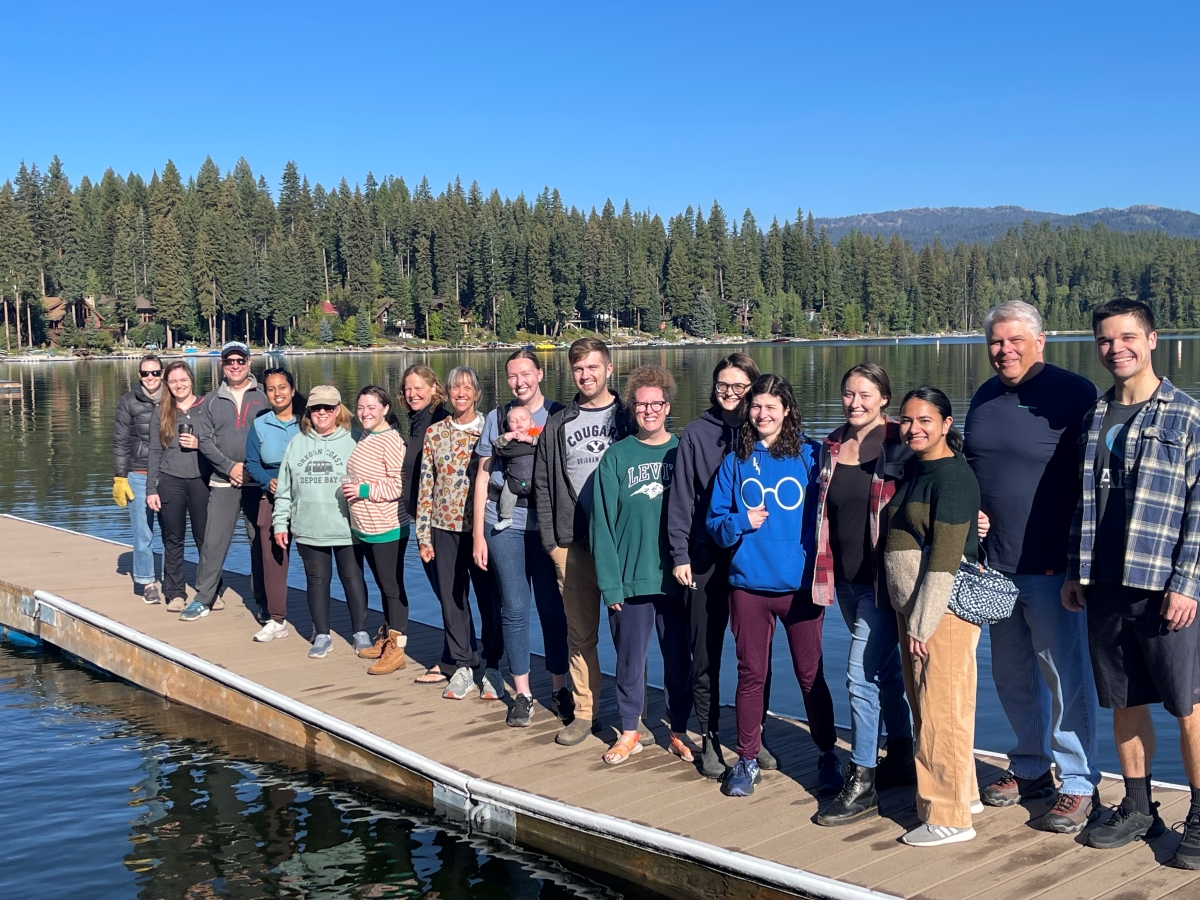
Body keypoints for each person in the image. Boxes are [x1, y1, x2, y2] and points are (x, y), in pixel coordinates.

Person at [1062, 299, 1200, 867]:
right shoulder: (1095, 415)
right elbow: (1083, 502)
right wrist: (1075, 569)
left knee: (1187, 704)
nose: (1115, 348)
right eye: (1105, 340)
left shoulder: (1186, 415)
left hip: (1164, 583)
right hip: (1104, 581)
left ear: (1152, 340)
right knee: (1122, 700)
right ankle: (1140, 806)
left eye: (1127, 337)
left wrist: (1187, 582)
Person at [964, 300, 1102, 833]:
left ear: (1040, 341)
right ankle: (1028, 766)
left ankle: (1078, 781)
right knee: (1012, 674)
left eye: (1015, 340)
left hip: (1052, 567)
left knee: (1065, 677)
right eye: (996, 342)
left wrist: (1079, 566)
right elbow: (974, 465)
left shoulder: (1073, 394)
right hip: (993, 566)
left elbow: (1091, 480)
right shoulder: (985, 395)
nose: (1004, 351)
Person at [707, 374, 841, 799]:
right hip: (748, 587)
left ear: (787, 410)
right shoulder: (736, 460)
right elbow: (715, 525)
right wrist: (740, 523)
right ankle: (746, 760)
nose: (762, 414)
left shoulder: (812, 456)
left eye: (771, 406)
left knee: (810, 675)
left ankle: (827, 753)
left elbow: (843, 504)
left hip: (801, 588)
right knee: (751, 675)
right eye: (756, 406)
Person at [814, 364, 916, 826]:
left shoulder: (901, 440)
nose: (855, 402)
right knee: (886, 672)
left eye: (865, 395)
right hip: (847, 581)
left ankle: (863, 778)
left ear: (883, 399)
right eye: (849, 394)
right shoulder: (833, 445)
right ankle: (900, 753)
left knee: (859, 676)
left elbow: (940, 478)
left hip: (884, 582)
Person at [668, 352, 776, 778]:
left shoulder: (767, 433)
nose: (730, 393)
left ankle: (755, 734)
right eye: (722, 386)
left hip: (753, 555)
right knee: (706, 652)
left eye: (740, 387)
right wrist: (680, 554)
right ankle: (710, 735)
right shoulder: (696, 434)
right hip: (705, 556)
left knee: (755, 656)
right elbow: (680, 500)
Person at [885, 386, 982, 847]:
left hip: (939, 613)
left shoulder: (954, 477)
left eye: (925, 420)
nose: (914, 428)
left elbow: (945, 559)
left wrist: (922, 624)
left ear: (946, 424)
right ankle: (964, 795)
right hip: (917, 611)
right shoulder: (919, 470)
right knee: (936, 707)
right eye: (906, 420)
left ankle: (949, 817)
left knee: (942, 712)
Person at [590, 366, 694, 765]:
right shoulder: (617, 456)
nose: (649, 411)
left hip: (676, 578)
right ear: (632, 409)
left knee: (678, 659)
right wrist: (610, 585)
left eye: (656, 403)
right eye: (641, 405)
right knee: (630, 661)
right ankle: (630, 730)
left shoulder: (682, 450)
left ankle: (679, 730)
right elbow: (602, 524)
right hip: (631, 578)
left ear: (668, 406)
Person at [535, 337, 635, 746]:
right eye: (578, 368)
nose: (586, 375)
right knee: (580, 635)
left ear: (609, 369)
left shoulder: (630, 418)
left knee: (628, 634)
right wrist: (551, 542)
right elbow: (543, 482)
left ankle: (634, 715)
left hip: (622, 546)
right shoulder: (559, 422)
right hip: (572, 544)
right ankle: (584, 712)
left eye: (593, 367)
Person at [473, 350, 569, 728]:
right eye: (513, 376)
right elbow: (482, 475)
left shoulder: (560, 414)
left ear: (540, 374)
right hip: (503, 523)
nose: (520, 382)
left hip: (546, 525)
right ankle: (524, 694)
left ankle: (560, 689)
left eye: (526, 374)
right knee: (514, 609)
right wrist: (479, 533)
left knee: (552, 609)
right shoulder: (497, 418)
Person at [416, 367, 503, 700]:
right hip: (443, 527)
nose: (461, 393)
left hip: (481, 528)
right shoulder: (436, 433)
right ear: (448, 394)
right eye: (455, 388)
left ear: (477, 393)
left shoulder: (489, 431)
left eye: (467, 387)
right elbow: (426, 485)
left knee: (489, 599)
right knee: (453, 600)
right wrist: (424, 536)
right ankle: (463, 665)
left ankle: (493, 663)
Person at [271, 385, 371, 659]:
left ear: (338, 409)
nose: (323, 413)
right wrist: (280, 523)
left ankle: (360, 631)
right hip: (309, 527)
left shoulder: (355, 439)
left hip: (346, 528)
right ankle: (323, 634)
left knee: (352, 578)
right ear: (309, 412)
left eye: (329, 407)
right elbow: (284, 490)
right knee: (317, 580)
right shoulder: (297, 442)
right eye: (317, 408)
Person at [180, 342, 269, 622]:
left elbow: (273, 438)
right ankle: (203, 598)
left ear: (248, 362)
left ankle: (264, 602)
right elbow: (204, 440)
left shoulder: (265, 398)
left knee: (260, 544)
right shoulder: (210, 400)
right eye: (229, 360)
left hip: (258, 483)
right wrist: (229, 467)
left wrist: (253, 470)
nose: (235, 365)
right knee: (214, 542)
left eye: (240, 360)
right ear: (222, 364)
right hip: (222, 480)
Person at [345, 385, 411, 675]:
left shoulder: (391, 441)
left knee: (392, 588)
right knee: (384, 587)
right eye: (361, 407)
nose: (365, 413)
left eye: (371, 407)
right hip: (367, 527)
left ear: (385, 409)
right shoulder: (368, 435)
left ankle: (397, 650)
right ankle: (386, 639)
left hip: (388, 527)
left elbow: (400, 484)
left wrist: (363, 489)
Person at [400, 365, 456, 685]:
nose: (412, 394)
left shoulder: (438, 422)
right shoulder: (417, 422)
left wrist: (428, 529)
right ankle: (464, 651)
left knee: (447, 592)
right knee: (443, 591)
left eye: (419, 387)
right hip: (423, 521)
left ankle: (452, 658)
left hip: (438, 523)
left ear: (435, 388)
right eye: (408, 389)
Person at [146, 362, 210, 612]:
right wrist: (151, 488)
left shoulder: (206, 407)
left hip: (201, 480)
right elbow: (153, 451)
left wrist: (199, 443)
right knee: (173, 538)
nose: (178, 385)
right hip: (170, 480)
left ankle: (210, 589)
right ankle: (175, 593)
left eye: (182, 379)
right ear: (167, 385)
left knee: (205, 538)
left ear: (191, 380)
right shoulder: (162, 411)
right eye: (172, 381)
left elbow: (217, 442)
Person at [244, 368, 302, 640]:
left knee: (316, 558)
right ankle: (276, 618)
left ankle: (323, 621)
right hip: (274, 493)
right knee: (271, 555)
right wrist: (268, 482)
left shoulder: (308, 420)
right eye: (271, 389)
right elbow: (253, 464)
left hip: (307, 495)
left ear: (292, 389)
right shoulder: (260, 424)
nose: (277, 393)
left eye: (282, 387)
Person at [112, 355, 163, 602]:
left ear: (162, 374)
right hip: (139, 474)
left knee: (173, 533)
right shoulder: (128, 402)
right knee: (143, 532)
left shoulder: (174, 399)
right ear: (139, 375)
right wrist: (120, 477)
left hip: (169, 474)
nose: (150, 378)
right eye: (145, 373)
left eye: (155, 373)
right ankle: (146, 581)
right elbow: (120, 441)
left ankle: (174, 582)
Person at [492, 405, 538, 532]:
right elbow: (497, 444)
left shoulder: (535, 435)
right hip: (513, 479)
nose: (518, 423)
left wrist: (527, 438)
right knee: (507, 496)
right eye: (513, 421)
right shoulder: (508, 438)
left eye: (522, 419)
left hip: (535, 479)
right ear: (508, 426)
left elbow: (543, 442)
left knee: (543, 496)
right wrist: (509, 436)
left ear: (532, 423)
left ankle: (542, 518)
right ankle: (506, 518)